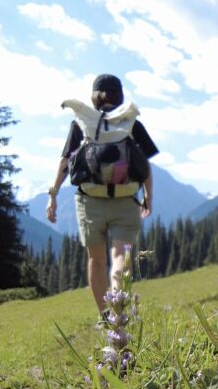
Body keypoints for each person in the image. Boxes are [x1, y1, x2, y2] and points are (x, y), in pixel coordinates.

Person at [46, 74, 158, 317]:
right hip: (126, 202)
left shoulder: (82, 123)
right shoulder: (131, 124)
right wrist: (148, 195)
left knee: (96, 260)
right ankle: (119, 313)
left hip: (89, 202)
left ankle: (106, 317)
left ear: (94, 96)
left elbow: (66, 162)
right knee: (121, 258)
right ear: (119, 96)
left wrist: (53, 194)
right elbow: (144, 165)